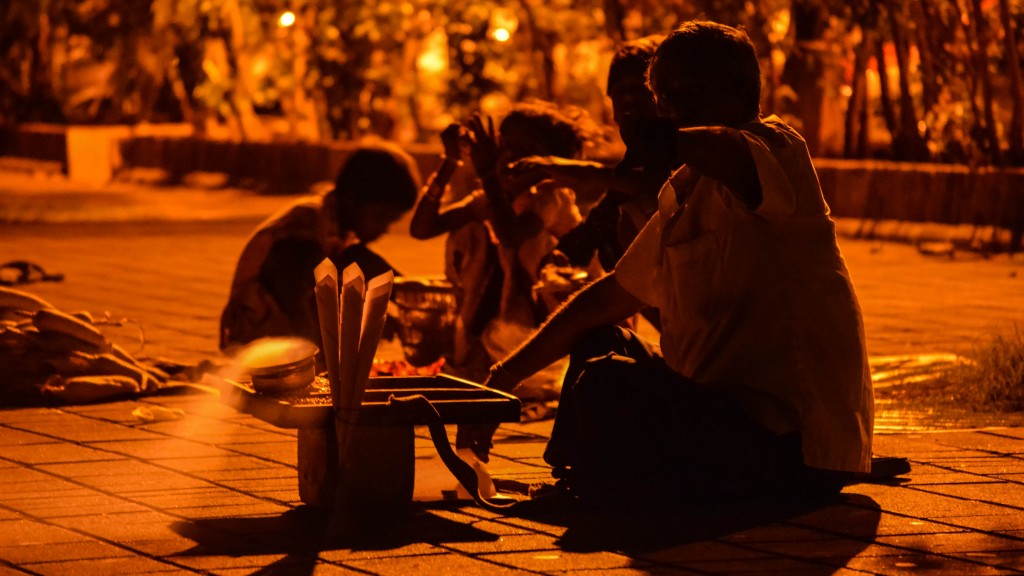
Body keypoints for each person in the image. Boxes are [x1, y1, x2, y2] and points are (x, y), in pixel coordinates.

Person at [458, 21, 874, 507]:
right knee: (600, 343)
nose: (668, 106)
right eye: (663, 93)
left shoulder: (776, 151)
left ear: (741, 91)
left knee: (610, 381)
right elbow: (607, 298)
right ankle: (575, 480)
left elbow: (713, 145)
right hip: (719, 422)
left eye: (685, 90)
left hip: (791, 443)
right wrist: (501, 380)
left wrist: (622, 150)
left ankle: (602, 491)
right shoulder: (687, 188)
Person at [409, 102, 588, 401]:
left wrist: (489, 176)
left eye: (524, 148)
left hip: (549, 322)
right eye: (504, 145)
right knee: (476, 230)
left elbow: (511, 235)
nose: (508, 155)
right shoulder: (496, 196)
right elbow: (422, 229)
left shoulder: (551, 197)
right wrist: (450, 163)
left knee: (501, 235)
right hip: (502, 322)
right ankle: (484, 354)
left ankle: (523, 364)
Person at [220, 140, 421, 352]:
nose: (384, 229)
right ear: (352, 200)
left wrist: (412, 298)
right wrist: (325, 359)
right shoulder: (301, 232)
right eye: (381, 218)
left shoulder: (337, 227)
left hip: (288, 330)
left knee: (360, 263)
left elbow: (369, 265)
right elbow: (296, 300)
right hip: (259, 345)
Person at [508, 35, 670, 273]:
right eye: (618, 92)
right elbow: (582, 242)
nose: (628, 101)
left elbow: (656, 186)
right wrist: (557, 264)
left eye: (639, 89)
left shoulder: (693, 158)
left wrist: (580, 172)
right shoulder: (621, 188)